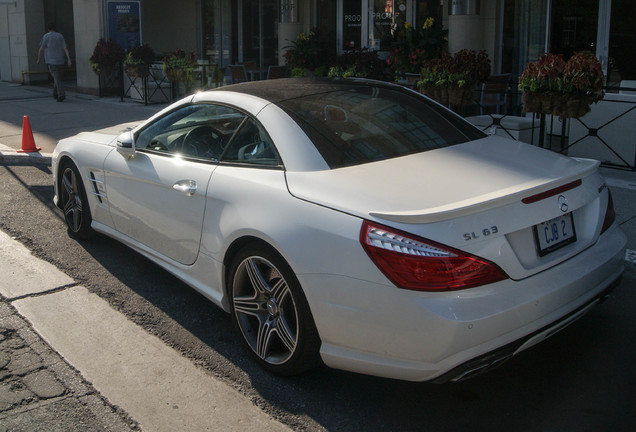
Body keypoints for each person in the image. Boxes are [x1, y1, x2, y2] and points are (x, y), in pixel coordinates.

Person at [37, 22, 72, 102]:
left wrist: (39, 59)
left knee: (57, 78)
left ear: (48, 29)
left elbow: (41, 49)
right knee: (58, 77)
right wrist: (69, 59)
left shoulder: (46, 36)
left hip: (51, 60)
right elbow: (65, 48)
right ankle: (55, 93)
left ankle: (61, 94)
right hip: (60, 59)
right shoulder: (60, 36)